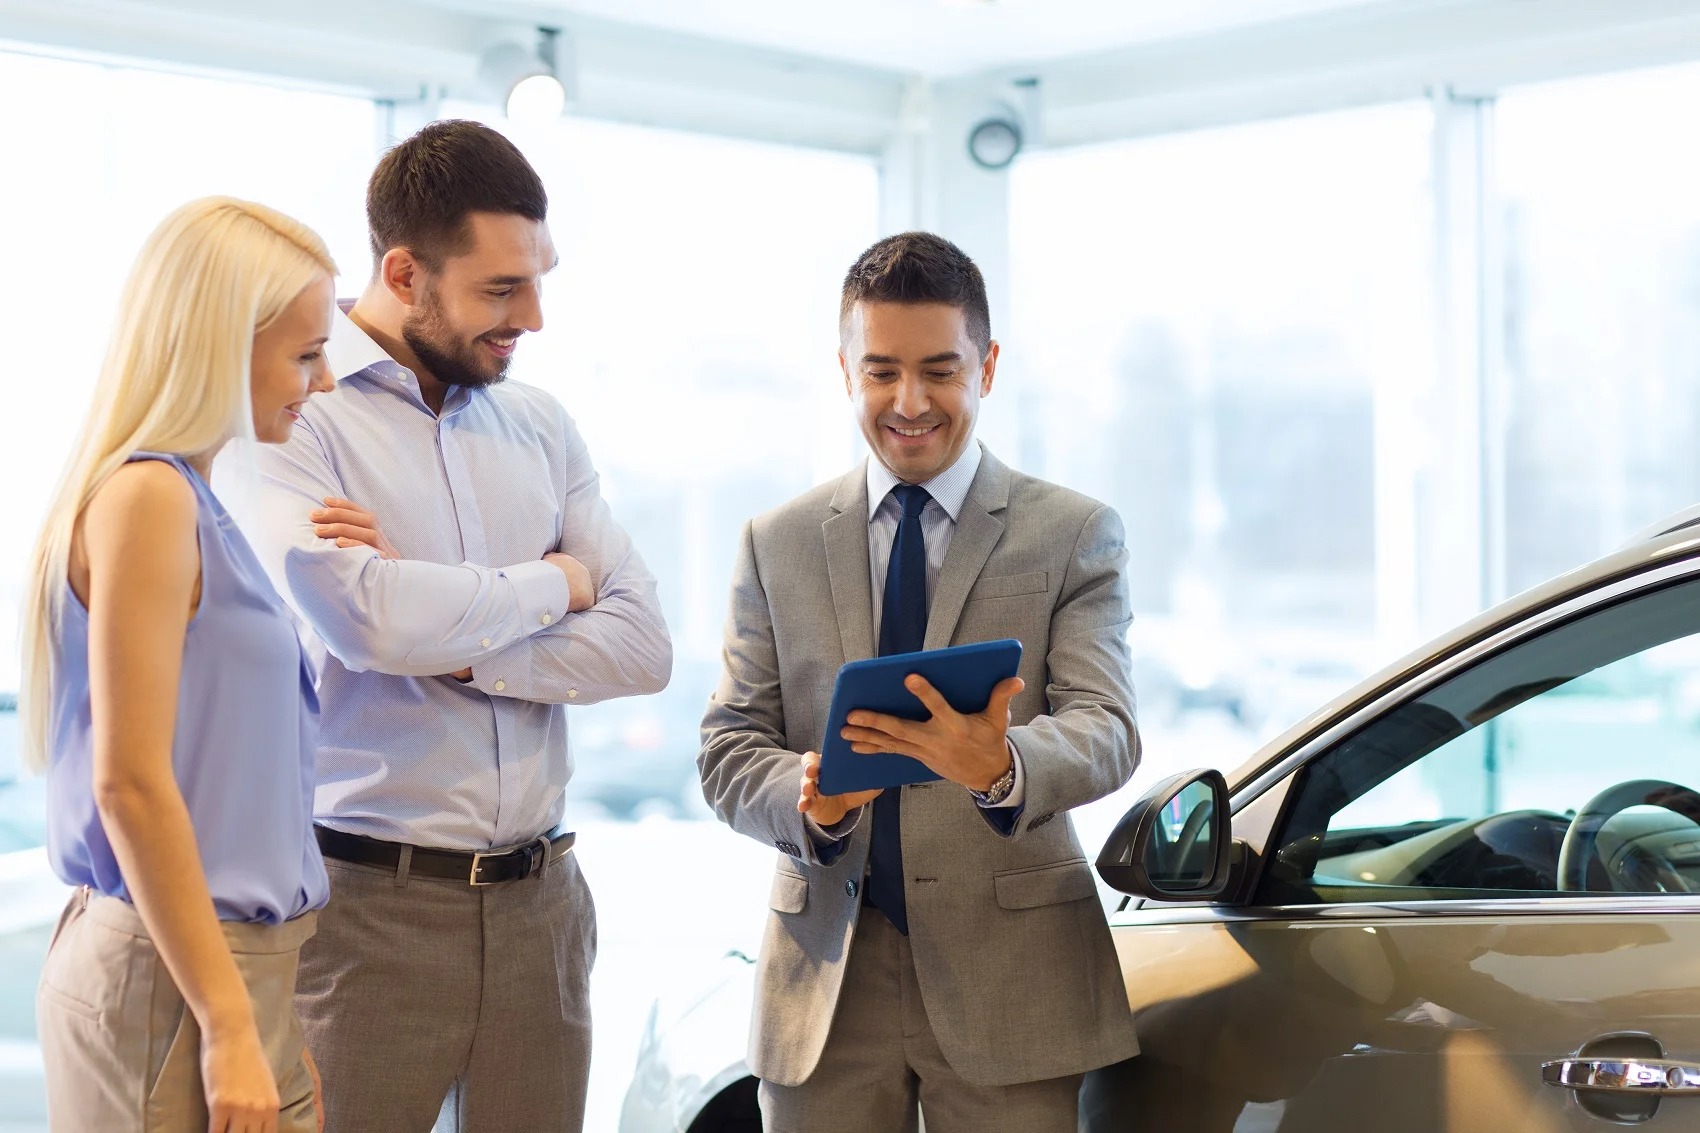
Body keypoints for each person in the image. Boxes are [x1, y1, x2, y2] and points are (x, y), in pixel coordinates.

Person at [231, 119, 671, 1132]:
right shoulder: (296, 412)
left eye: (539, 278)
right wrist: (555, 582)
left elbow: (644, 645)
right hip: (368, 911)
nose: (536, 317)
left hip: (544, 907)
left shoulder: (541, 424)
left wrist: (460, 643)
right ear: (404, 271)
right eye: (502, 290)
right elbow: (370, 624)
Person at [699, 231, 1141, 1132]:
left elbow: (1106, 725)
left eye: (941, 370)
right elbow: (728, 744)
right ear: (845, 369)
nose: (909, 402)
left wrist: (1002, 763)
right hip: (825, 976)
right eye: (881, 372)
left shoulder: (1074, 531)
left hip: (1012, 977)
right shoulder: (774, 541)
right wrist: (807, 798)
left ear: (989, 366)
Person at [21, 196, 338, 1132]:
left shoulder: (188, 497)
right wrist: (229, 1019)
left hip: (218, 970)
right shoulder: (151, 498)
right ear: (218, 343)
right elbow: (129, 783)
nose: (318, 384)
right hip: (182, 976)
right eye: (304, 353)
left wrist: (257, 1014)